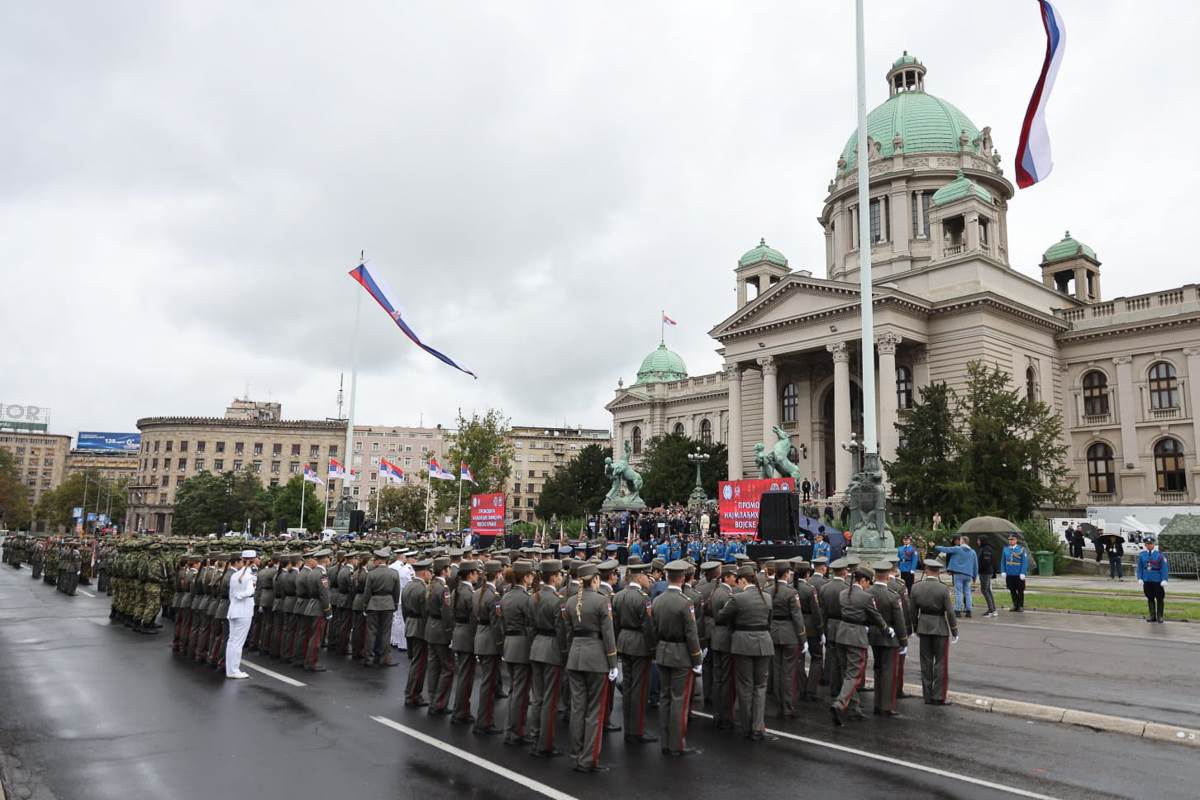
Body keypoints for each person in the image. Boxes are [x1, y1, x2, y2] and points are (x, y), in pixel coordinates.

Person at [564, 563, 618, 773]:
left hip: (575, 656)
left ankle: (577, 751)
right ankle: (588, 759)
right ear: (595, 579)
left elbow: (568, 634)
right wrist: (613, 662)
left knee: (578, 708)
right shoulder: (601, 601)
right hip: (596, 659)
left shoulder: (570, 602)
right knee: (595, 711)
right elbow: (608, 634)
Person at [717, 564, 776, 742]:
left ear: (743, 580)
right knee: (760, 686)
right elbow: (769, 620)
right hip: (764, 642)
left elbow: (722, 616)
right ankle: (758, 726)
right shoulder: (767, 596)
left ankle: (747, 726)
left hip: (742, 642)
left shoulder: (737, 598)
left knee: (745, 686)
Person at [652, 560, 703, 756]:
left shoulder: (657, 600)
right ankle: (676, 744)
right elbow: (691, 634)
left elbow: (653, 629)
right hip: (681, 654)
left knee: (665, 698)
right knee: (678, 700)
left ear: (667, 577)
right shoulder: (685, 602)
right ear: (682, 578)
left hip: (663, 651)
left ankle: (665, 742)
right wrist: (697, 659)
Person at [831, 568, 892, 725]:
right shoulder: (866, 597)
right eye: (867, 582)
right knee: (854, 675)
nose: (868, 586)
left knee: (847, 673)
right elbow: (876, 616)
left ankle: (854, 708)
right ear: (863, 580)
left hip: (841, 633)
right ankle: (839, 704)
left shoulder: (843, 594)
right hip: (856, 636)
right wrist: (886, 629)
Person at [613, 562, 656, 743]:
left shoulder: (618, 596)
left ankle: (628, 728)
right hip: (639, 644)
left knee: (629, 687)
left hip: (623, 641)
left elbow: (614, 625)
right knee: (639, 689)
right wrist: (653, 649)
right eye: (646, 576)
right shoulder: (643, 598)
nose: (648, 579)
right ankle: (636, 731)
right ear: (639, 577)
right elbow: (648, 627)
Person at [529, 559, 567, 757]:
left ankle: (535, 737)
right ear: (553, 577)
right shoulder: (557, 600)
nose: (561, 578)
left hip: (536, 646)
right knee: (550, 701)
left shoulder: (534, 597)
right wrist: (564, 653)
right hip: (551, 649)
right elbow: (561, 631)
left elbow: (530, 627)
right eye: (559, 575)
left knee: (537, 698)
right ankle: (545, 744)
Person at [909, 559, 958, 705]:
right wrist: (954, 630)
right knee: (941, 663)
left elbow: (912, 611)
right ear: (938, 572)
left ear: (926, 570)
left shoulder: (916, 587)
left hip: (923, 626)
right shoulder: (943, 589)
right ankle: (938, 696)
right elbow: (950, 611)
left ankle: (927, 695)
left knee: (925, 662)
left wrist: (915, 627)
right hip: (940, 627)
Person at [499, 560, 535, 744]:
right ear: (526, 577)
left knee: (514, 690)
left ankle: (510, 729)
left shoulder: (506, 596)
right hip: (522, 646)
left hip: (509, 644)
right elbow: (531, 624)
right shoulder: (525, 598)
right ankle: (515, 732)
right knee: (520, 693)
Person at [867, 561, 907, 717]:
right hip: (889, 636)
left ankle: (877, 703)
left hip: (873, 633)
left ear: (875, 575)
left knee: (878, 670)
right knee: (889, 672)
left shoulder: (868, 592)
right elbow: (899, 621)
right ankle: (886, 706)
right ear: (888, 576)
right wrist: (903, 640)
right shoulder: (892, 595)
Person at [768, 560, 806, 719]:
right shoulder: (791, 592)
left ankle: (779, 704)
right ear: (785, 574)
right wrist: (803, 638)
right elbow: (797, 617)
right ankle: (787, 706)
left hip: (773, 633)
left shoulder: (768, 590)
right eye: (789, 572)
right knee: (788, 673)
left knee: (776, 671)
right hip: (789, 634)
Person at [471, 561, 504, 735]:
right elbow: (496, 625)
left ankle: (483, 720)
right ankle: (484, 721)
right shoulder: (494, 596)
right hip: (490, 641)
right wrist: (501, 645)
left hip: (480, 637)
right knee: (488, 684)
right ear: (497, 575)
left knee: (486, 682)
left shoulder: (476, 593)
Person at [707, 563, 738, 730]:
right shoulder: (726, 594)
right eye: (733, 576)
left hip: (716, 636)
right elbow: (727, 617)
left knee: (718, 678)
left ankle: (717, 713)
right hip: (725, 637)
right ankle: (724, 715)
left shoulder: (717, 591)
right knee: (725, 679)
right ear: (726, 577)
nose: (736, 579)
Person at [425, 557, 455, 715]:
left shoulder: (431, 585)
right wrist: (450, 633)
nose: (450, 571)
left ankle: (432, 699)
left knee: (434, 667)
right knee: (448, 668)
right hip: (441, 631)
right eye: (448, 568)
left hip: (431, 628)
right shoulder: (443, 588)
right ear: (444, 570)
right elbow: (447, 613)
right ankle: (440, 703)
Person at [363, 548, 401, 667]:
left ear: (378, 561)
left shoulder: (371, 574)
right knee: (385, 632)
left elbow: (367, 592)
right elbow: (397, 591)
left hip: (373, 603)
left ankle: (369, 658)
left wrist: (365, 605)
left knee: (371, 632)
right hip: (388, 603)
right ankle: (384, 658)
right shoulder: (394, 573)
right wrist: (394, 604)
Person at [401, 558, 431, 707]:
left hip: (410, 624)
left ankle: (411, 692)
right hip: (420, 627)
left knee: (415, 661)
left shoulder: (408, 586)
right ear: (425, 572)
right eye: (429, 572)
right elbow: (426, 612)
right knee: (419, 664)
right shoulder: (423, 589)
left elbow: (404, 610)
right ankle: (413, 694)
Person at [226, 550, 257, 679]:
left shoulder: (235, 574)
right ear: (253, 560)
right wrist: (241, 596)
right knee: (238, 642)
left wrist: (236, 598)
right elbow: (250, 592)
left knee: (232, 641)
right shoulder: (252, 574)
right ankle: (234, 670)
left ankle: (230, 669)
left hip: (233, 610)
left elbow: (230, 594)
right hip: (244, 611)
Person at [935, 535, 978, 618]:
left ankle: (958, 610)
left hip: (958, 573)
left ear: (962, 541)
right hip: (968, 574)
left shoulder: (958, 549)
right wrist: (975, 577)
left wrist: (935, 546)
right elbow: (976, 565)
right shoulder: (973, 552)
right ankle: (968, 611)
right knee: (968, 592)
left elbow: (946, 549)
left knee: (958, 592)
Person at [1136, 540, 1169, 623]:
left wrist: (1164, 579)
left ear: (1153, 544)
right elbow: (1139, 567)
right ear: (1145, 545)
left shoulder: (1160, 555)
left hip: (1157, 580)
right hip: (1147, 580)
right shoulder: (1142, 555)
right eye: (1147, 544)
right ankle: (1152, 616)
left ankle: (1160, 616)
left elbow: (1164, 568)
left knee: (1160, 598)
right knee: (1150, 598)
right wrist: (1140, 578)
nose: (1149, 545)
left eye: (1151, 544)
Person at [1000, 534, 1029, 612]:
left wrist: (1023, 572)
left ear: (1016, 540)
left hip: (1018, 573)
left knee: (1020, 590)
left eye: (1012, 539)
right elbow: (1003, 561)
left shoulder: (1021, 549)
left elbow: (1024, 562)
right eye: (1009, 539)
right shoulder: (1005, 549)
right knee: (1012, 590)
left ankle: (1021, 606)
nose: (1010, 541)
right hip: (1009, 573)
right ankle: (1015, 604)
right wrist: (1003, 571)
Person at [977, 536, 998, 618]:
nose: (977, 542)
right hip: (987, 572)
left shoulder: (986, 549)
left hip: (985, 572)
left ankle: (991, 610)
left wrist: (979, 569)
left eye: (978, 540)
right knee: (988, 590)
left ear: (982, 540)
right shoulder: (986, 548)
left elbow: (986, 561)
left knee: (984, 590)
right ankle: (993, 609)